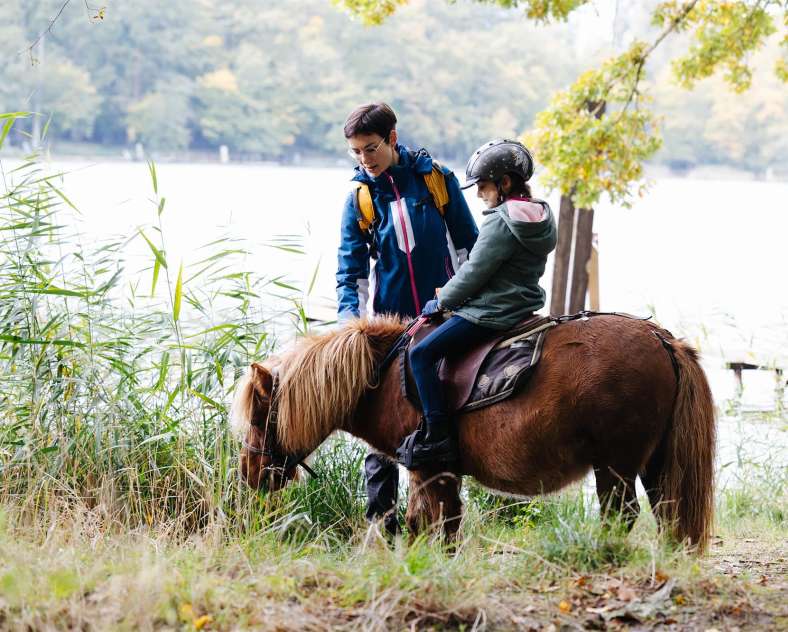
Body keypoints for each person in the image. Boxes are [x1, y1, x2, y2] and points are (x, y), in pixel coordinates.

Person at [336, 103, 479, 533]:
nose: (365, 159)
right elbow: (351, 271)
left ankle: (440, 518)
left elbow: (469, 248)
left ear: (392, 139)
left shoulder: (435, 180)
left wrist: (464, 302)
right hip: (388, 330)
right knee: (380, 431)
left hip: (442, 318)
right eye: (356, 152)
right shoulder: (360, 197)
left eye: (371, 148)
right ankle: (382, 527)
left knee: (444, 411)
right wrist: (352, 327)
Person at [396, 138, 557, 470]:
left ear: (505, 182)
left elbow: (474, 272)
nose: (480, 193)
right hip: (523, 305)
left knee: (420, 354)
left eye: (483, 186)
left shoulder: (500, 221)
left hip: (491, 312)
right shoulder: (542, 215)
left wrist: (440, 301)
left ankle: (438, 434)